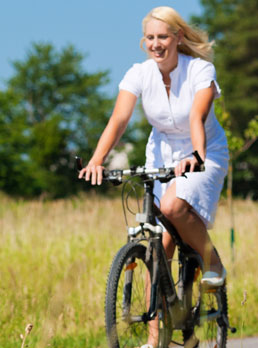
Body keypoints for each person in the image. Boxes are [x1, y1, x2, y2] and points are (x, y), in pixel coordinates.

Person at [78, 7, 229, 348]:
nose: (156, 44)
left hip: (203, 151)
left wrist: (196, 155)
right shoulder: (139, 74)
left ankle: (212, 262)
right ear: (143, 41)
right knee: (158, 246)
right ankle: (154, 338)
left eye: (163, 37)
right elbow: (119, 119)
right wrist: (97, 159)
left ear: (178, 37)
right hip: (160, 153)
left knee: (175, 207)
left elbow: (197, 115)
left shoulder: (200, 70)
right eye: (150, 38)